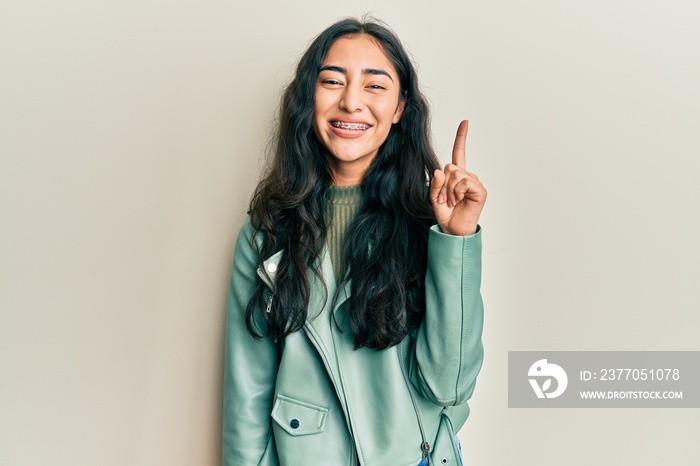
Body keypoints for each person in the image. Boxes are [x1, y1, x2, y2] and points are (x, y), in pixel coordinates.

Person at [223, 17, 487, 466]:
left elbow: (450, 385)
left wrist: (455, 240)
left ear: (401, 107)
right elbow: (247, 395)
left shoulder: (429, 227)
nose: (350, 102)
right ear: (309, 97)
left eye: (374, 86)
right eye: (331, 81)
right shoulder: (266, 233)